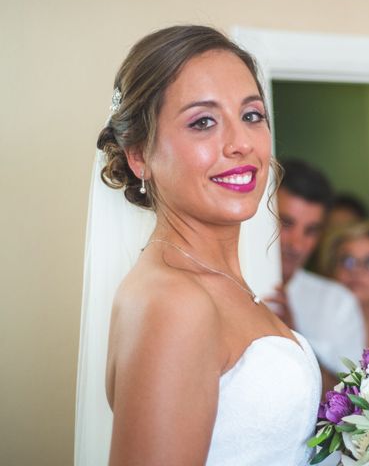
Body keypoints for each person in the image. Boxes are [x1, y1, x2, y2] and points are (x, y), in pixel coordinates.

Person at [99, 25, 320, 465]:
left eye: (252, 115)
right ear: (139, 154)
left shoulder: (218, 285)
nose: (241, 144)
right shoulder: (174, 301)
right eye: (203, 122)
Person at [268, 159, 365, 392]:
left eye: (311, 231)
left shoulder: (339, 303)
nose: (297, 245)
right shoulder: (226, 286)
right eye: (286, 223)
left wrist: (292, 337)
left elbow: (351, 405)